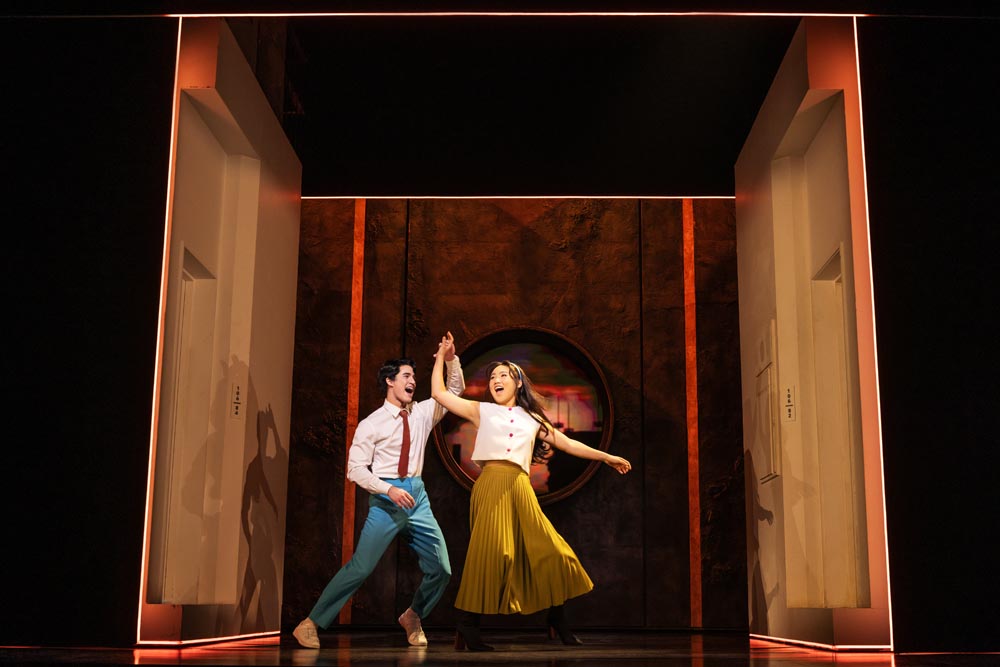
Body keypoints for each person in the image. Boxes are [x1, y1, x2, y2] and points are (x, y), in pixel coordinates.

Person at [429, 332, 632, 651]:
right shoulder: (482, 411)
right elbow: (439, 393)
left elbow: (567, 443)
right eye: (492, 376)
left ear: (518, 383)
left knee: (554, 552)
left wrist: (607, 457)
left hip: (520, 486)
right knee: (491, 554)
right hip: (492, 483)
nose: (496, 379)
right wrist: (443, 356)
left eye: (503, 375)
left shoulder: (532, 419)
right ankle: (468, 625)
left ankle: (556, 618)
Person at [292, 344, 466, 649]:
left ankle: (413, 616)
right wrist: (389, 489)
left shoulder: (424, 412)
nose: (413, 381)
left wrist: (450, 359)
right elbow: (355, 470)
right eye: (407, 376)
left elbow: (454, 390)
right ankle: (310, 623)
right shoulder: (371, 424)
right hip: (387, 499)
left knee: (442, 568)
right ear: (390, 381)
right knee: (360, 566)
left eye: (414, 377)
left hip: (417, 497)